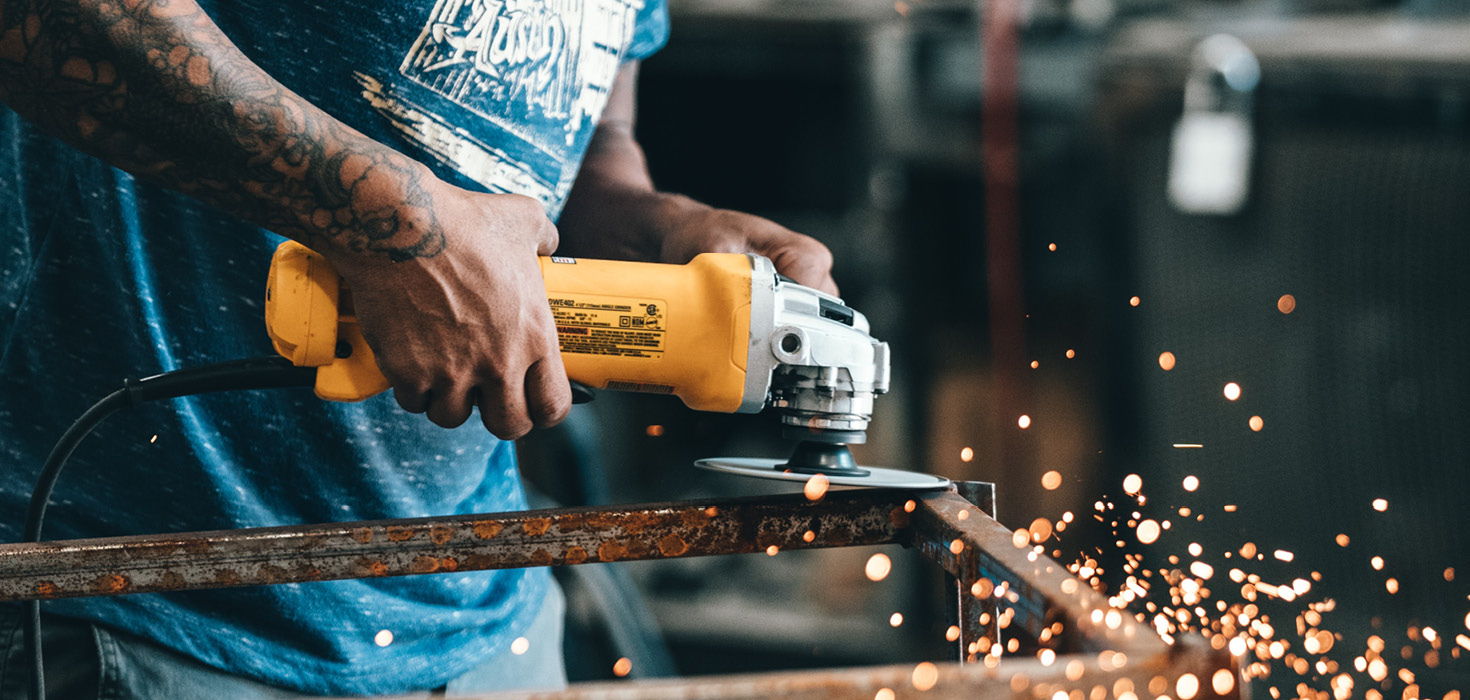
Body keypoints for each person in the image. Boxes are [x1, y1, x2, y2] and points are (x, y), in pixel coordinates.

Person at [0, 0, 836, 696]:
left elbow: (576, 147)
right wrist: (394, 227)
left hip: (479, 601)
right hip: (156, 600)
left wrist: (661, 225)